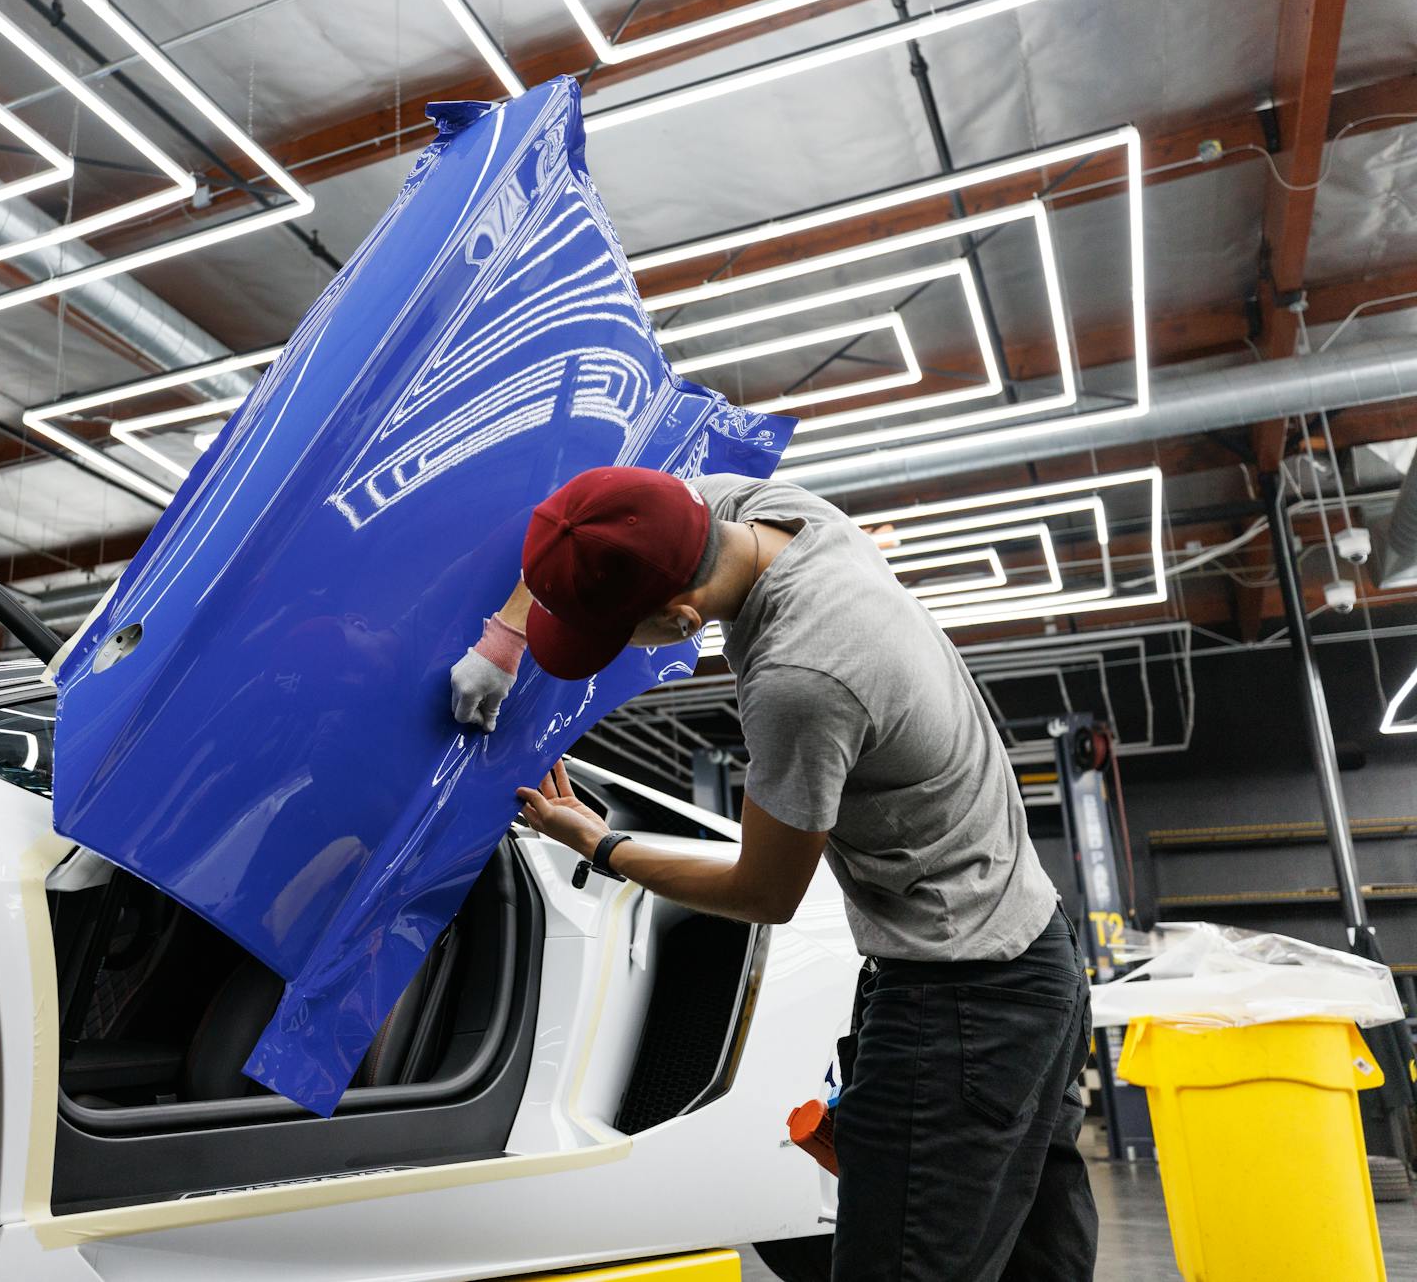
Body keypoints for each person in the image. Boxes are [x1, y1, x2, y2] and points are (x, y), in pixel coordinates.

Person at [450, 465, 1097, 1282]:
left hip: (962, 1001)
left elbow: (765, 893)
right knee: (1037, 1260)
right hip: (1033, 949)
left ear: (680, 620)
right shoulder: (763, 511)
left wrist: (601, 847)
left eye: (624, 638)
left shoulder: (801, 681)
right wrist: (504, 639)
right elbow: (586, 513)